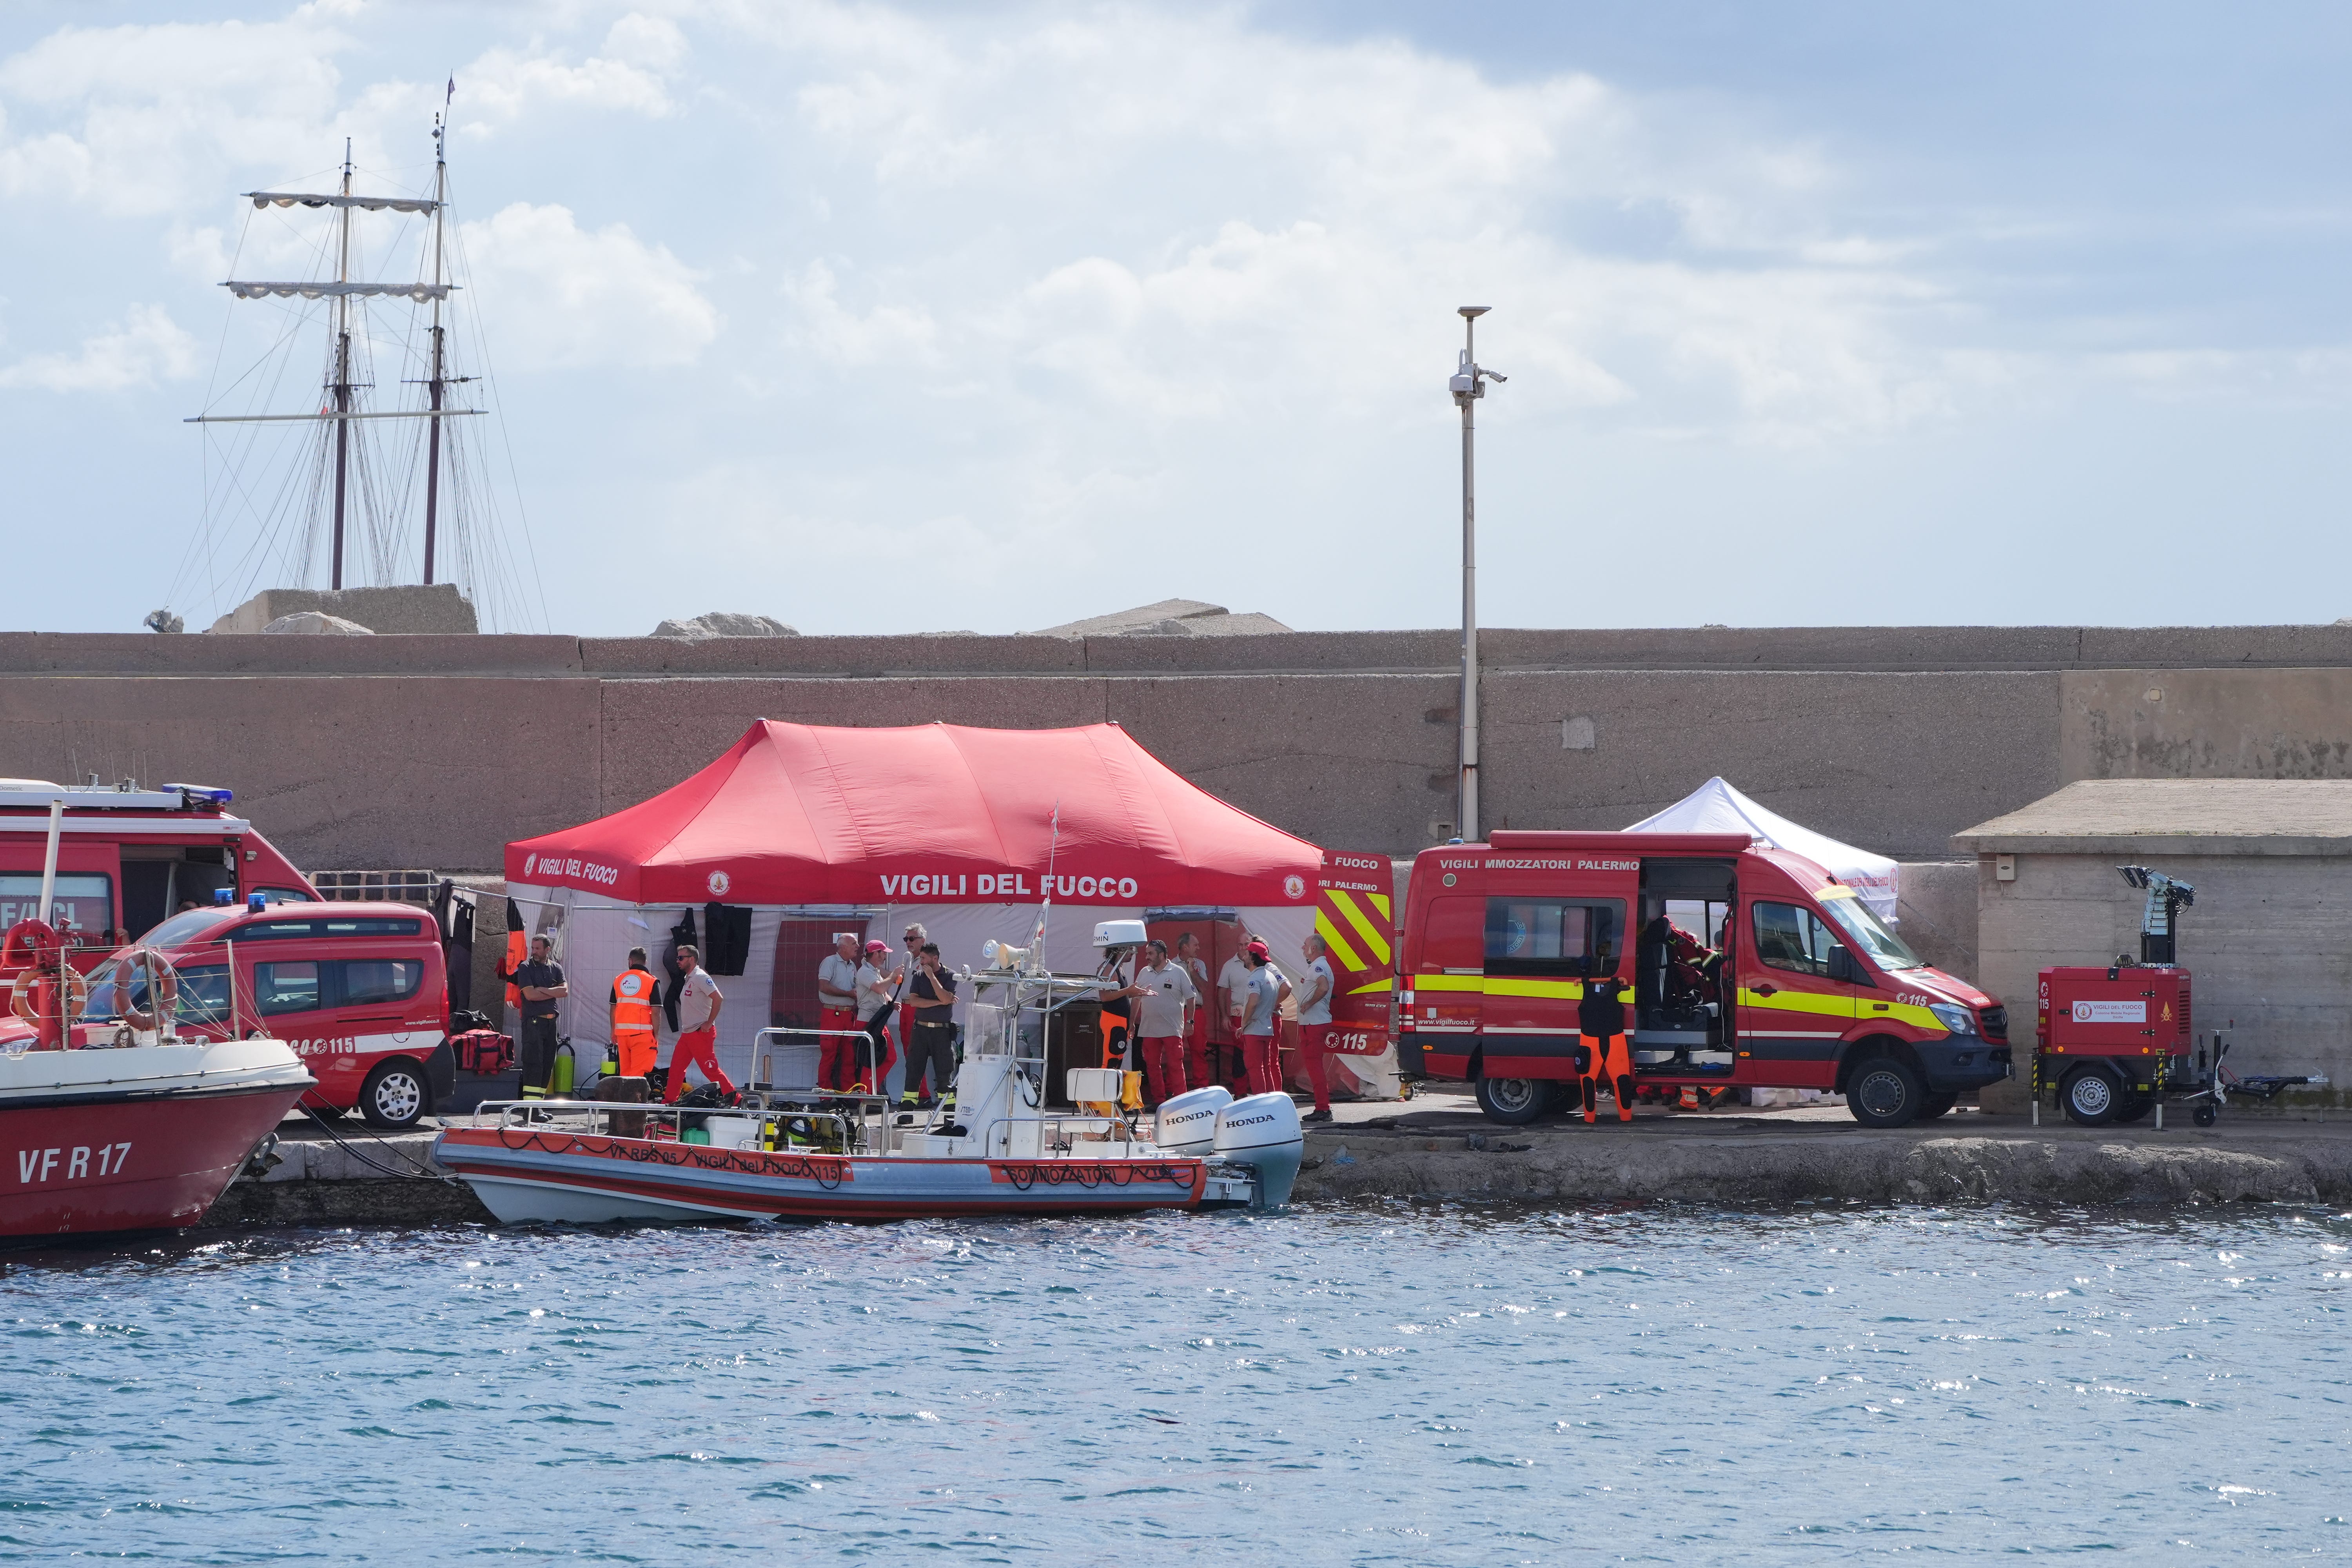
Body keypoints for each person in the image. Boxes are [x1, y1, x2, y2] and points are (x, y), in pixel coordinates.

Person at [662, 944, 734, 1104]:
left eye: (681, 958)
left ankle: (734, 1098)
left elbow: (718, 998)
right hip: (688, 1033)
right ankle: (669, 1101)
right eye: (677, 958)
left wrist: (709, 1023)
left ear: (692, 959)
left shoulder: (701, 977)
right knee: (676, 1069)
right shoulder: (689, 978)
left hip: (700, 1033)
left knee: (710, 1070)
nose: (678, 961)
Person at [1131, 938, 1198, 1105]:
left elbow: (1191, 998)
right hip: (1149, 1030)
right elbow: (1136, 999)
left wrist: (1190, 1022)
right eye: (1147, 953)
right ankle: (1159, 1101)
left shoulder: (1178, 972)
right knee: (1152, 1068)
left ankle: (1180, 1101)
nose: (1147, 957)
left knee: (1176, 1066)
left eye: (1151, 953)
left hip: (1172, 1029)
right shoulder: (1144, 973)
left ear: (1162, 955)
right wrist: (1131, 1023)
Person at [898, 942, 958, 1116]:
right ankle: (907, 1112)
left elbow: (947, 997)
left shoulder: (950, 975)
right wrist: (940, 1002)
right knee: (914, 1069)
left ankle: (948, 1114)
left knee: (944, 1071)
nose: (921, 962)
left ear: (935, 958)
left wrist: (933, 978)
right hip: (921, 1030)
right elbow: (914, 1002)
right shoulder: (917, 976)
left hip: (942, 1031)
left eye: (924, 958)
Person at [512, 934, 568, 1101]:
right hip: (533, 1023)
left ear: (548, 950)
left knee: (548, 1064)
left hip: (551, 1023)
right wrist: (552, 991)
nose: (534, 952)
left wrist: (542, 989)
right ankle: (530, 1108)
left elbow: (564, 992)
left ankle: (538, 1105)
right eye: (533, 948)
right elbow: (530, 995)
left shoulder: (556, 968)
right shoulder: (525, 967)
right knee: (534, 1064)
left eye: (538, 948)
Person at [1577, 967, 1634, 1125]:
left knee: (1622, 1080)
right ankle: (1589, 1118)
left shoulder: (1615, 985)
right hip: (1593, 1041)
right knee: (1588, 1082)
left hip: (1612, 1040)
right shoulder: (1585, 986)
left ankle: (1626, 1117)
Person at [1236, 939, 1290, 1098]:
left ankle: (1260, 1103)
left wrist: (1244, 1023)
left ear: (1253, 957)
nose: (1244, 957)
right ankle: (1272, 1101)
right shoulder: (1271, 976)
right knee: (1267, 1067)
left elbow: (1253, 1000)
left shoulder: (1255, 978)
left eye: (1246, 954)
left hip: (1255, 1029)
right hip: (1268, 1027)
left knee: (1255, 1068)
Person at [1295, 933, 1338, 1124]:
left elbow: (1324, 987)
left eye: (1305, 945)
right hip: (1313, 1023)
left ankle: (1323, 1108)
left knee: (1315, 1067)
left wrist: (1309, 1004)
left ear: (1314, 948)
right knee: (1314, 1067)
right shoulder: (1318, 966)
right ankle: (1322, 1107)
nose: (1303, 948)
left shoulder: (1318, 967)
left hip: (1313, 1024)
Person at [853, 938, 902, 1094]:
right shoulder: (865, 971)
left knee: (890, 1058)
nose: (885, 957)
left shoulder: (873, 970)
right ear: (875, 954)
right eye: (883, 953)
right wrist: (894, 975)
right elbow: (879, 989)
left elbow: (884, 992)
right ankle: (866, 1095)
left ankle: (872, 1091)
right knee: (870, 1061)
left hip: (878, 1022)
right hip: (869, 1023)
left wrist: (891, 1003)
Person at [816, 931, 863, 1091]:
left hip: (848, 1015)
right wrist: (848, 994)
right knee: (829, 1055)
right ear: (842, 947)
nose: (858, 947)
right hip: (832, 1015)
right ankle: (825, 1094)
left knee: (849, 1056)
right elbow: (824, 986)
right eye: (854, 944)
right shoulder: (830, 962)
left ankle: (847, 1093)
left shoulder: (853, 965)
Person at [607, 946, 662, 1082]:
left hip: (622, 1035)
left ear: (631, 961)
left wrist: (613, 1031)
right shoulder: (652, 981)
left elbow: (613, 1008)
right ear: (645, 962)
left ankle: (626, 1101)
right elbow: (656, 1011)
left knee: (625, 1075)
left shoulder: (619, 980)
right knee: (638, 1077)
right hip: (642, 1035)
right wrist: (656, 1034)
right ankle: (635, 1102)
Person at [1096, 944, 1143, 1071]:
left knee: (1118, 1057)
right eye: (1130, 951)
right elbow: (1105, 997)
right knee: (1111, 1060)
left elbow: (1120, 995)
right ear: (1120, 950)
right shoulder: (1108, 968)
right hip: (1113, 1020)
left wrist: (1138, 993)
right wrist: (1128, 990)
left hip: (1122, 1021)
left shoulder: (1119, 968)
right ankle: (1104, 1089)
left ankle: (1114, 1088)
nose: (1132, 954)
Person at [1176, 931, 1212, 1094]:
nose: (1198, 947)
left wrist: (1192, 970)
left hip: (1197, 1012)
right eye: (1195, 945)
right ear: (1185, 947)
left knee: (1199, 1050)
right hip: (1178, 1011)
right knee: (1176, 1051)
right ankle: (1177, 1089)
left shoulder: (1200, 964)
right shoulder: (1172, 965)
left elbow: (1204, 988)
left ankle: (1201, 1087)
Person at [1217, 938, 1253, 1087]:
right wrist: (1225, 1016)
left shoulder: (1260, 964)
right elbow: (1221, 993)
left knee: (1255, 1052)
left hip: (1257, 1015)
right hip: (1238, 1015)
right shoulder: (1229, 965)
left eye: (1247, 945)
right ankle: (1240, 1091)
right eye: (1240, 945)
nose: (1244, 948)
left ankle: (1259, 1091)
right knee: (1240, 1052)